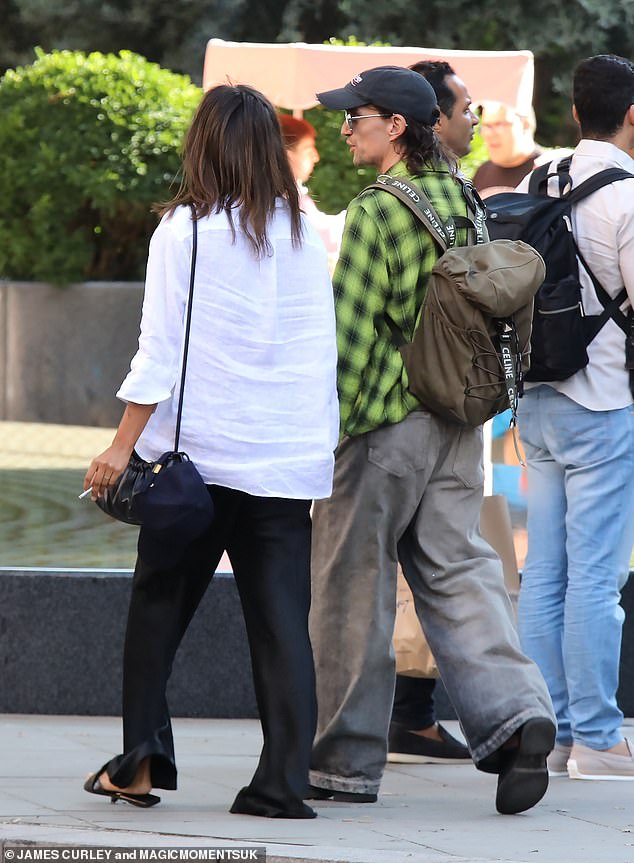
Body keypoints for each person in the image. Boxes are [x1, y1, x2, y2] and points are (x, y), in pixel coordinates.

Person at [81, 83, 339, 819]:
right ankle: (283, 783)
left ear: (205, 145)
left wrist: (121, 446)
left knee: (158, 605)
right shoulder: (302, 232)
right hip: (285, 462)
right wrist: (312, 447)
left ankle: (140, 762)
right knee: (283, 621)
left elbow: (157, 350)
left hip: (193, 464)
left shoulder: (186, 231)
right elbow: (316, 353)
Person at [307, 64, 555, 816]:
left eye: (358, 117)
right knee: (461, 573)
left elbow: (349, 336)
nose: (345, 128)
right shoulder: (465, 200)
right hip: (456, 424)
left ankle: (345, 762)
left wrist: (336, 437)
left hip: (385, 425)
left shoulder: (377, 211)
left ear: (397, 127)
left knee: (353, 588)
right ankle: (518, 716)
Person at [515, 54, 634, 781]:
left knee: (544, 572)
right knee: (596, 575)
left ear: (573, 113)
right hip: (602, 400)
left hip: (536, 398)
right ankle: (598, 737)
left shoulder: (540, 180)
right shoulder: (628, 196)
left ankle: (553, 730)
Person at [386, 59, 479, 766]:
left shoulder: (397, 199)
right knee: (439, 566)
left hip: (416, 409)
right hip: (436, 410)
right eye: (465, 109)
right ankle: (405, 716)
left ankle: (403, 717)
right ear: (432, 120)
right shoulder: (443, 200)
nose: (473, 119)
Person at [278, 113, 345, 263]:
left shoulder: (295, 196)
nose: (316, 157)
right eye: (308, 150)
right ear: (286, 156)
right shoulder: (284, 202)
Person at [473, 101, 544, 197]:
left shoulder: (547, 170)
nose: (489, 134)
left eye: (499, 124)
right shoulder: (482, 172)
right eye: (486, 126)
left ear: (525, 124)